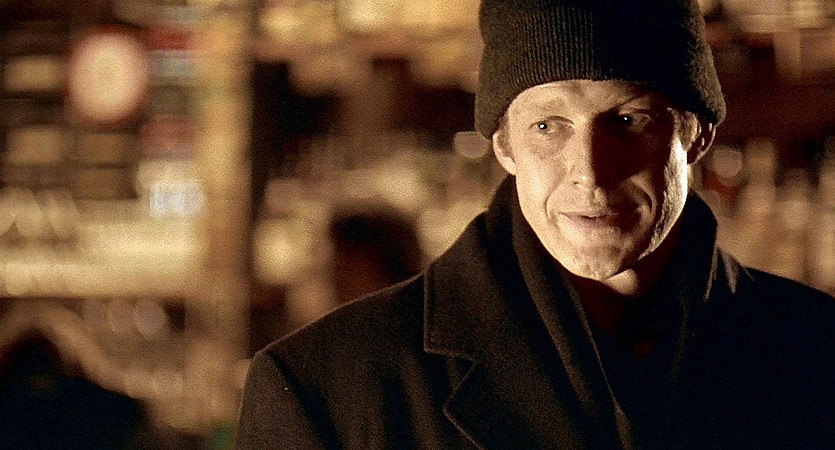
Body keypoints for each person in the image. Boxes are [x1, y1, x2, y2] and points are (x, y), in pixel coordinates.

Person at [235, 0, 835, 448]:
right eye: (548, 127)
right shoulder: (325, 390)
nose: (590, 174)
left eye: (628, 120)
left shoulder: (816, 352)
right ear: (504, 146)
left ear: (696, 134)